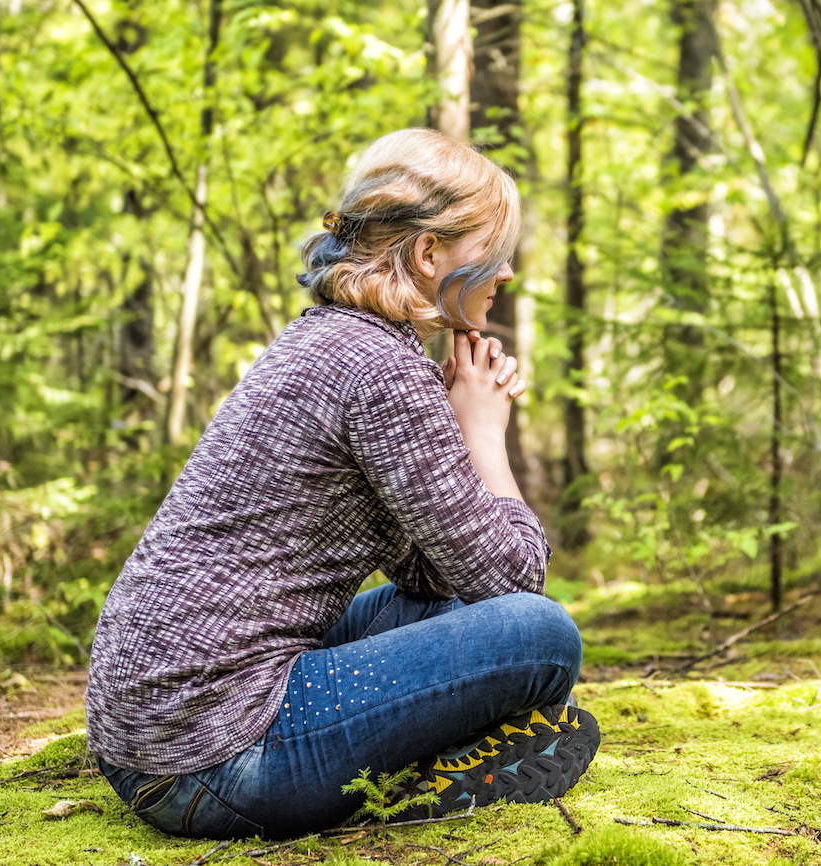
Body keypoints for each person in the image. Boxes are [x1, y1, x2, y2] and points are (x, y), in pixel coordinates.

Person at [85, 128, 598, 841]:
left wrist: (449, 431)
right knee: (542, 636)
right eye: (494, 250)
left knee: (447, 603)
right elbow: (514, 583)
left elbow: (430, 575)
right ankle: (419, 773)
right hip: (216, 757)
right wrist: (483, 433)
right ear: (429, 254)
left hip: (149, 735)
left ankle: (427, 756)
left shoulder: (330, 338)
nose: (507, 273)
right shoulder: (381, 369)